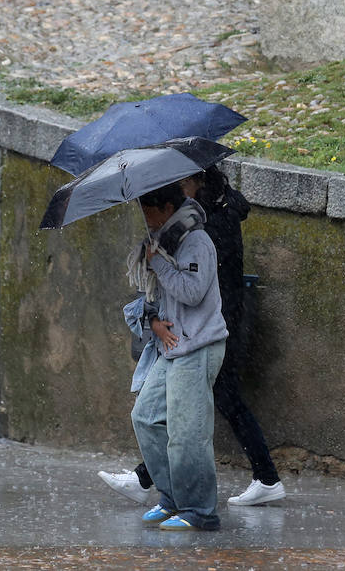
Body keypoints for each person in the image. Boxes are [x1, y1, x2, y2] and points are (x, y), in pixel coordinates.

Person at [99, 167, 285, 506]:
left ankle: (193, 493)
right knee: (176, 413)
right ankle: (161, 483)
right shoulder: (185, 225)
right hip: (191, 328)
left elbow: (195, 287)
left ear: (199, 181)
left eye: (181, 182)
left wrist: (165, 259)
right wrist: (153, 312)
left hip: (212, 327)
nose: (176, 187)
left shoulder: (206, 228)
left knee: (205, 414)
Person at [128, 182, 228, 531]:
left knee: (188, 432)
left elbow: (192, 291)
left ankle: (200, 509)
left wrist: (161, 266)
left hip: (198, 345)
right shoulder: (163, 241)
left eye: (149, 211)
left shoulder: (197, 241)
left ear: (167, 208)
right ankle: (172, 497)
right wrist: (153, 321)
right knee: (146, 417)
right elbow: (154, 296)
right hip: (171, 347)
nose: (145, 218)